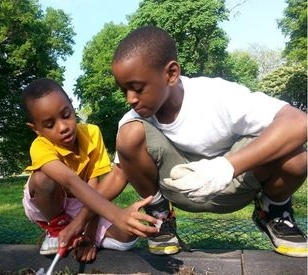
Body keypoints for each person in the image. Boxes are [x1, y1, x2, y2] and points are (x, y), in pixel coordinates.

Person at [108, 25, 307, 257]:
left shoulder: (217, 95)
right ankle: (160, 216)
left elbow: (299, 122)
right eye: (124, 90)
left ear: (171, 74)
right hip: (176, 187)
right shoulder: (134, 119)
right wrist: (81, 218)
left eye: (138, 88)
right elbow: (119, 174)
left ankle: (273, 210)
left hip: (235, 185)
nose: (130, 99)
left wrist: (225, 167)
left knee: (297, 155)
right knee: (129, 134)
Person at [21, 78, 158, 262]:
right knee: (42, 179)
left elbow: (94, 188)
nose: (63, 127)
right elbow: (70, 181)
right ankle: (57, 231)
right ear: (35, 129)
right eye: (49, 124)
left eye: (66, 114)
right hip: (49, 202)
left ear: (71, 104)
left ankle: (77, 233)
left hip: (82, 201)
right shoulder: (39, 147)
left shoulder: (92, 133)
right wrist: (116, 214)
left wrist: (90, 236)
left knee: (128, 237)